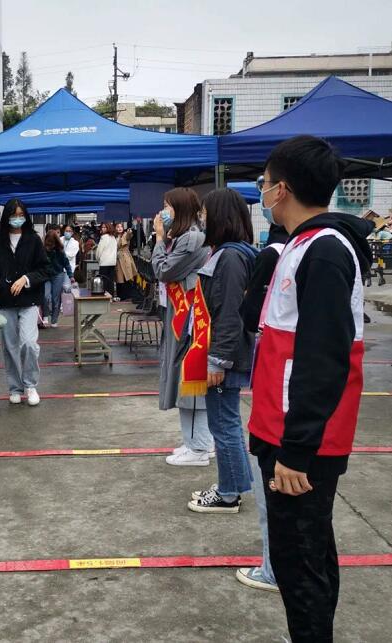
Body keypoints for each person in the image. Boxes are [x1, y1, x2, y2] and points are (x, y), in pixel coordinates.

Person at [249, 135, 373, 642]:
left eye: (263, 183)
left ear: (281, 189)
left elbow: (323, 357)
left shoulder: (324, 251)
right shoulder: (304, 244)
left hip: (300, 442)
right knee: (308, 554)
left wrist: (297, 449)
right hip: (284, 429)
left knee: (300, 564)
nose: (261, 191)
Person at [186, 189, 258, 514]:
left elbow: (229, 313)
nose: (202, 220)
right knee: (227, 423)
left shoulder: (229, 258)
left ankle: (228, 494)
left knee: (223, 424)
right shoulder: (231, 253)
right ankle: (233, 485)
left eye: (205, 214)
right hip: (225, 352)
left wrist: (217, 361)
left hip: (223, 356)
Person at [235, 223, 289, 592]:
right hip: (288, 389)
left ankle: (273, 567)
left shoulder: (275, 253)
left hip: (279, 388)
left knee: (275, 488)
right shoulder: (322, 248)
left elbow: (249, 311)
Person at [151, 188, 215, 466]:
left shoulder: (191, 238)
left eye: (168, 206)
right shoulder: (184, 237)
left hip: (188, 320)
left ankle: (199, 447)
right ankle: (194, 442)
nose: (163, 212)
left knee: (189, 380)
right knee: (183, 379)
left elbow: (163, 271)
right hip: (182, 316)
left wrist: (158, 238)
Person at [0, 198, 50, 406]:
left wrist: (26, 279)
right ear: (6, 217)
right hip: (4, 301)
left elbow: (45, 269)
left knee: (28, 343)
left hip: (29, 300)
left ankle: (30, 385)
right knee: (10, 347)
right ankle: (15, 388)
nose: (17, 219)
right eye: (14, 215)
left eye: (21, 215)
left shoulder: (33, 240)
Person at [43, 230, 75, 328]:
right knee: (45, 296)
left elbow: (66, 264)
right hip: (46, 275)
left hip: (58, 275)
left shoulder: (60, 251)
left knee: (55, 298)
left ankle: (54, 320)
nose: (49, 247)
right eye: (47, 244)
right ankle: (45, 315)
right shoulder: (42, 250)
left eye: (51, 244)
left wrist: (71, 276)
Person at [114, 222, 137, 301]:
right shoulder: (115, 237)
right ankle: (120, 295)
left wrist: (129, 231)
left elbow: (129, 236)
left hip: (125, 258)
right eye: (118, 227)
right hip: (118, 259)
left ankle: (127, 295)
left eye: (121, 226)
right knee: (119, 278)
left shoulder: (125, 235)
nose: (119, 228)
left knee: (127, 277)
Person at [95, 222, 117, 296]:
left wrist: (98, 259)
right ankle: (110, 296)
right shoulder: (113, 238)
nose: (103, 229)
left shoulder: (103, 238)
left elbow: (99, 251)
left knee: (104, 281)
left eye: (105, 227)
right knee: (110, 281)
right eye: (102, 227)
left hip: (104, 263)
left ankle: (105, 296)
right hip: (112, 262)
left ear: (108, 228)